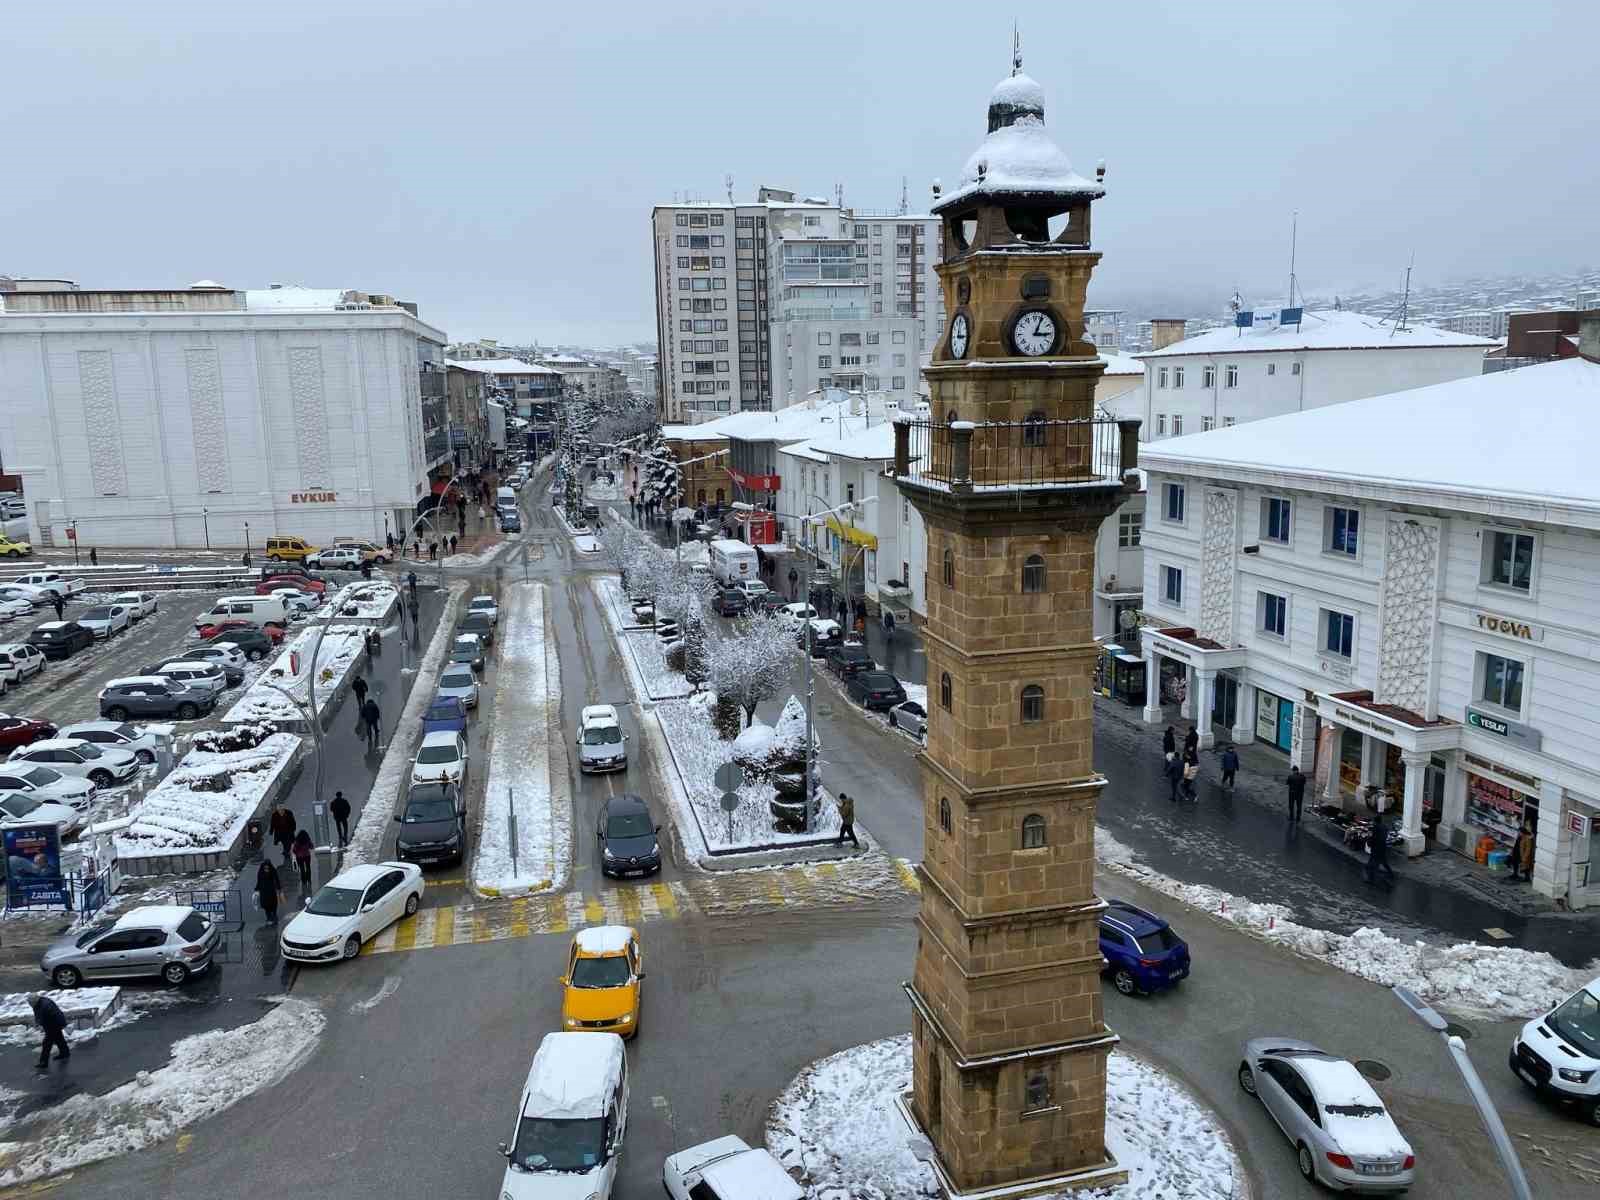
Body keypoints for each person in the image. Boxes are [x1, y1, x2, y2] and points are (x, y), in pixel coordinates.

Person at [29, 993, 69, 1069]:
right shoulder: (38, 1003)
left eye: (31, 1003)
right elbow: (38, 1014)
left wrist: (40, 1023)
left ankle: (43, 1062)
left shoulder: (45, 1006)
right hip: (52, 1023)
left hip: (55, 1023)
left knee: (47, 1043)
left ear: (35, 1001)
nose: (30, 1005)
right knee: (59, 1038)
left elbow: (48, 1017)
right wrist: (38, 1022)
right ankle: (65, 1053)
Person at [1365, 812, 1396, 885]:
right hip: (1383, 847)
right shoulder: (1385, 827)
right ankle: (1391, 874)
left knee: (1374, 863)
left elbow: (1373, 838)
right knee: (1383, 861)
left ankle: (1370, 879)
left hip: (1376, 847)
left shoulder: (1375, 827)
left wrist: (1369, 843)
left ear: (1375, 821)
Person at [255, 859, 283, 926]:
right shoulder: (261, 871)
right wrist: (257, 888)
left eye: (268, 867)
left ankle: (274, 914)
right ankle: (268, 917)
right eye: (265, 867)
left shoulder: (273, 870)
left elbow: (276, 879)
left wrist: (279, 887)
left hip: (271, 890)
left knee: (273, 903)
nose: (266, 868)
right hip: (264, 890)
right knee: (265, 904)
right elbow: (259, 881)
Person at [1510, 818, 1535, 883]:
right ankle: (1515, 874)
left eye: (1520, 832)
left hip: (1523, 854)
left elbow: (1528, 849)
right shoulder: (1520, 837)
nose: (1519, 833)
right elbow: (1516, 844)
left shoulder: (1527, 838)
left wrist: (1525, 857)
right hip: (1517, 852)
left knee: (1526, 867)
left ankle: (1527, 878)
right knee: (1516, 863)